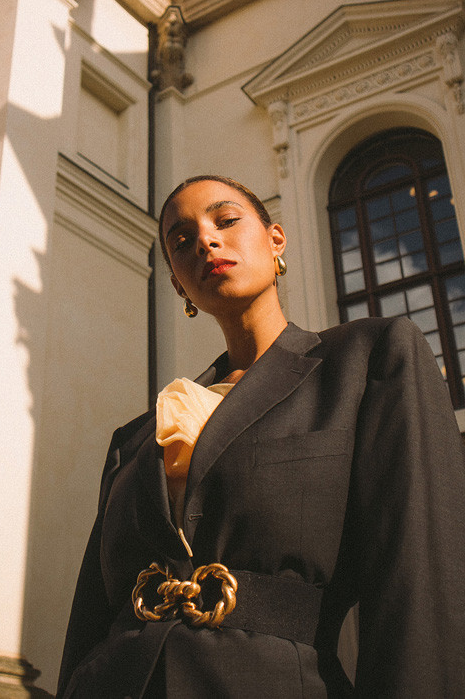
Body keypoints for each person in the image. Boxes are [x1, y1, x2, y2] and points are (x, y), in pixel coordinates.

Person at [56, 174, 465, 698]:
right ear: (178, 285)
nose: (205, 240)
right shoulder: (133, 441)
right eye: (181, 241)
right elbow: (89, 622)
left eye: (226, 220)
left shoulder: (367, 363)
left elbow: (420, 581)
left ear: (276, 241)